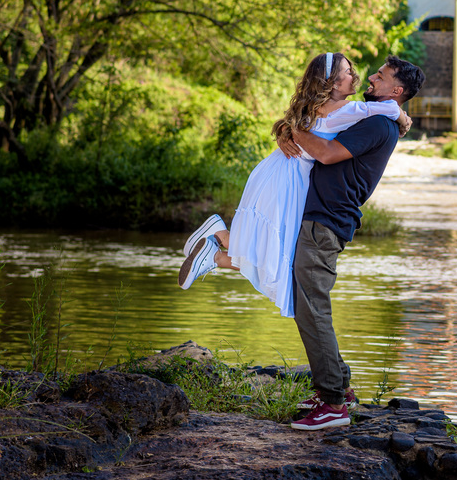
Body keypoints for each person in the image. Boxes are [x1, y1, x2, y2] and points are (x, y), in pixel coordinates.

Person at [177, 52, 412, 320]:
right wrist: (403, 119)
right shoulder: (344, 110)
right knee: (276, 251)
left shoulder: (316, 107)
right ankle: (219, 241)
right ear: (333, 83)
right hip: (288, 179)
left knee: (276, 251)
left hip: (278, 171)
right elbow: (387, 109)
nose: (357, 76)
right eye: (348, 72)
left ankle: (217, 248)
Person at [280, 55, 424, 431]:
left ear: (396, 91)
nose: (370, 78)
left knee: (312, 309)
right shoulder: (375, 116)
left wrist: (293, 133)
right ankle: (339, 387)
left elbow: (326, 153)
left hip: (326, 221)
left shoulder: (377, 122)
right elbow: (325, 126)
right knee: (309, 305)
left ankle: (332, 404)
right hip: (320, 218)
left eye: (381, 75)